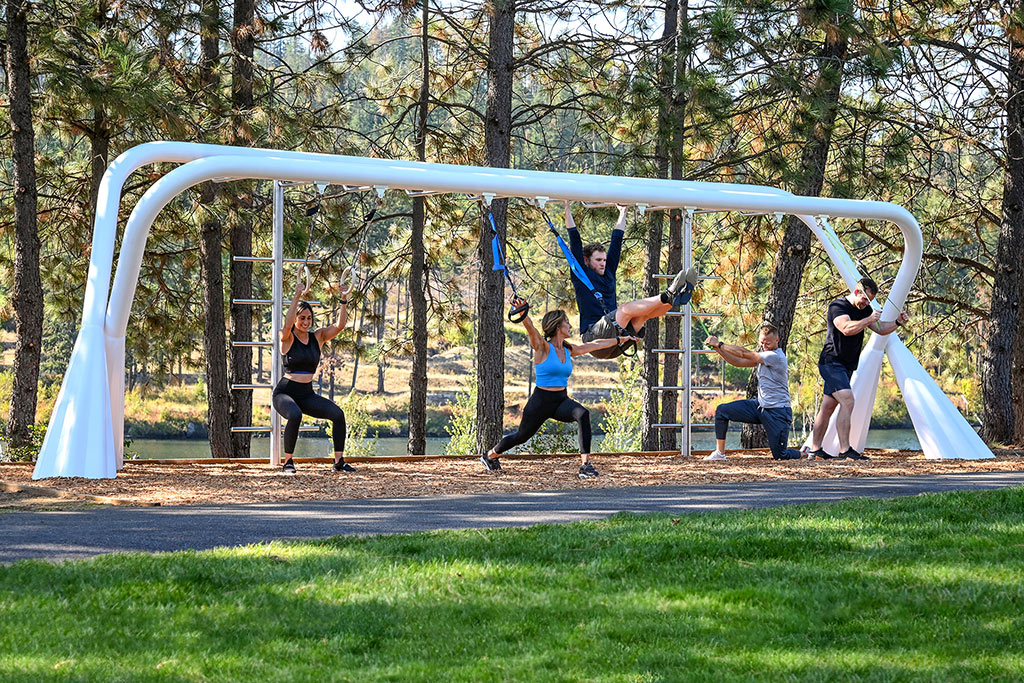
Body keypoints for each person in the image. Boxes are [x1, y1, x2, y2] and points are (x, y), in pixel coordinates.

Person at [480, 304, 640, 478]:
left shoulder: (568, 349)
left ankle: (585, 466)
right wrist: (523, 312)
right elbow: (531, 329)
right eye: (567, 322)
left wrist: (619, 341)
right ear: (558, 326)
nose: (570, 326)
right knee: (521, 436)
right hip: (540, 401)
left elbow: (595, 344)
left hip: (560, 400)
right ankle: (490, 456)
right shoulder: (542, 347)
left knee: (583, 414)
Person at [564, 201, 692, 359]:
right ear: (586, 261)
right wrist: (567, 207)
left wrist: (623, 212)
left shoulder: (609, 271)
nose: (603, 263)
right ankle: (667, 295)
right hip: (594, 339)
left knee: (643, 316)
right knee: (624, 310)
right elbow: (574, 239)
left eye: (604, 260)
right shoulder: (580, 275)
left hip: (617, 343)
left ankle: (675, 300)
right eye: (598, 260)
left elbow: (617, 241)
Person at [807, 277, 910, 461]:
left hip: (847, 365)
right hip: (831, 362)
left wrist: (897, 322)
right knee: (847, 400)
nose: (866, 303)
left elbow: (880, 328)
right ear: (857, 292)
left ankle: (814, 450)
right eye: (865, 299)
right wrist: (868, 319)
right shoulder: (838, 306)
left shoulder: (865, 310)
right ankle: (845, 450)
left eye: (869, 301)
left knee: (828, 407)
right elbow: (846, 328)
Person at [273, 266, 355, 474]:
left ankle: (338, 462)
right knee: (295, 415)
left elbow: (339, 326)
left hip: (306, 394)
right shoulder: (287, 337)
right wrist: (297, 295)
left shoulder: (317, 337)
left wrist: (343, 299)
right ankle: (288, 462)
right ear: (296, 320)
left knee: (338, 415)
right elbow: (287, 322)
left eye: (308, 318)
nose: (306, 322)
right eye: (302, 318)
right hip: (285, 393)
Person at [703, 324, 800, 461]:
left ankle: (806, 453)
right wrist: (719, 349)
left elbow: (743, 353)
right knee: (721, 411)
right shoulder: (763, 356)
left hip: (777, 411)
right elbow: (738, 361)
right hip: (759, 406)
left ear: (777, 341)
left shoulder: (775, 356)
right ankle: (720, 453)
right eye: (761, 342)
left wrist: (720, 343)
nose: (764, 345)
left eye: (768, 343)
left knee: (780, 456)